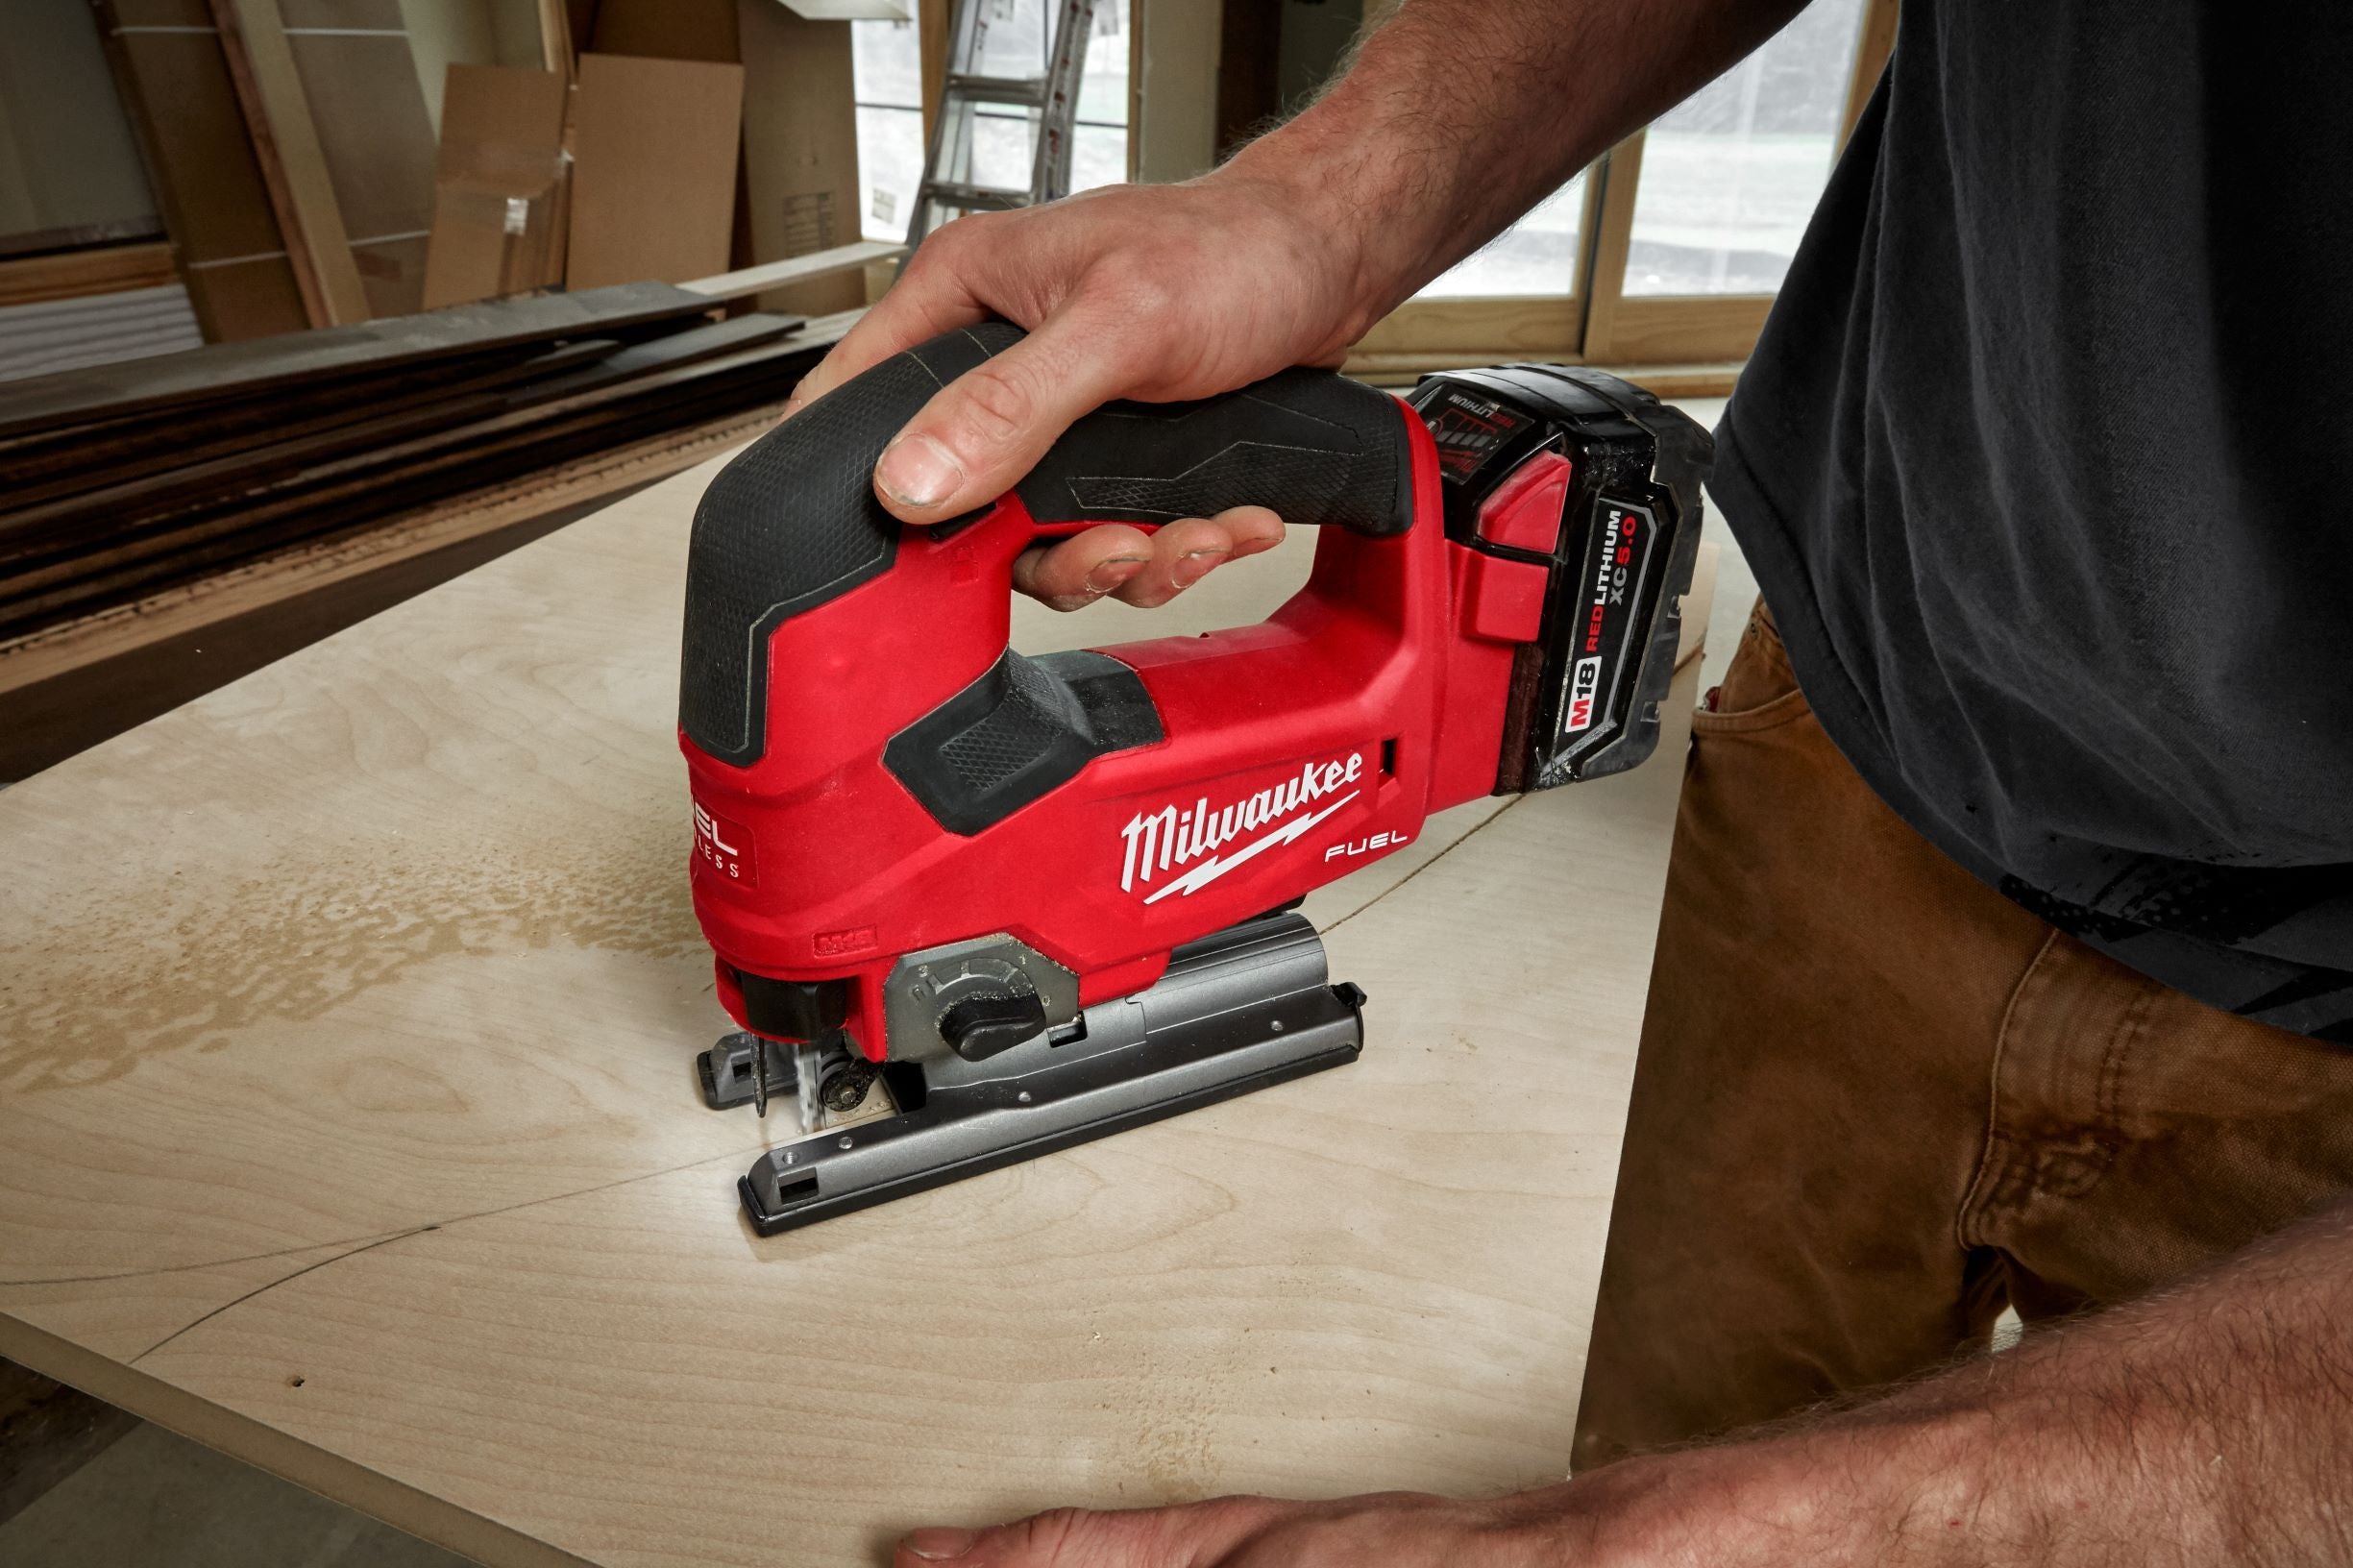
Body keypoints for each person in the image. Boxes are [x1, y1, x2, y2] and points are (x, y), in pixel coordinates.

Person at [787, 0, 2353, 1561]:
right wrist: (1324, 204)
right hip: (1868, 682)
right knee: (1682, 1404)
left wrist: (1701, 1535)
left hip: (2313, 1027)